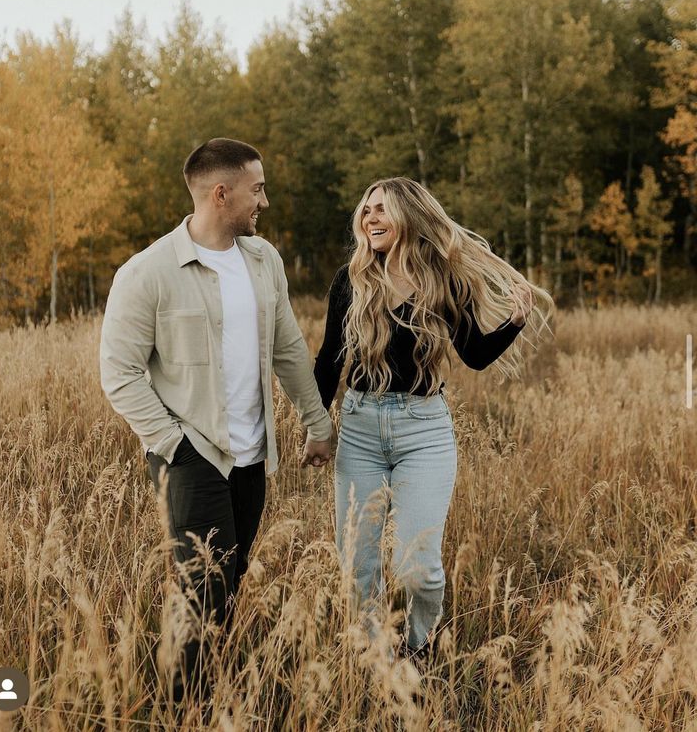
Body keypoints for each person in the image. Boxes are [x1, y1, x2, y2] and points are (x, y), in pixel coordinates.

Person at [100, 138, 332, 705]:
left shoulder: (264, 259)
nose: (265, 201)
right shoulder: (148, 271)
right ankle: (186, 707)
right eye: (257, 189)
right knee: (202, 590)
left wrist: (317, 422)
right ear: (221, 193)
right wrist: (174, 446)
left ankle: (205, 698)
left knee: (227, 586)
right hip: (191, 456)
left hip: (253, 455)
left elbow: (288, 349)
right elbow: (119, 372)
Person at [314, 177, 554, 661]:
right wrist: (316, 428)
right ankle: (376, 654)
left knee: (418, 567)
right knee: (357, 563)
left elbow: (475, 355)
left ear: (409, 217)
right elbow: (327, 362)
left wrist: (514, 323)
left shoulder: (444, 279)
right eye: (367, 211)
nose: (371, 218)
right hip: (359, 428)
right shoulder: (352, 280)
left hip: (424, 430)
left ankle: (418, 647)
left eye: (382, 209)